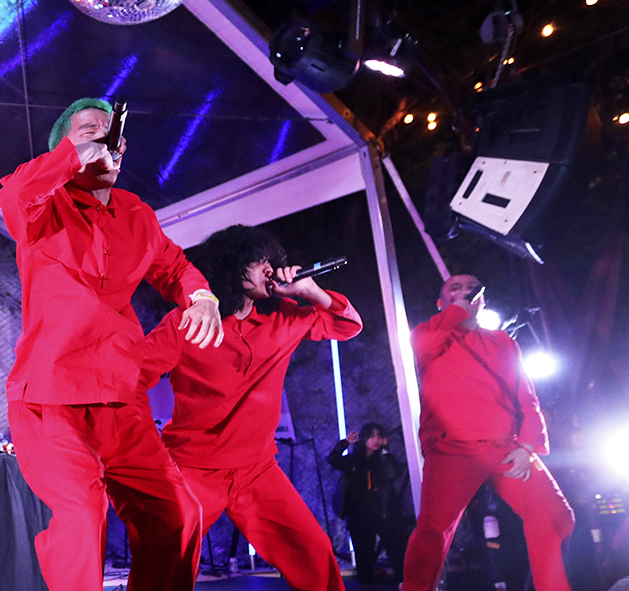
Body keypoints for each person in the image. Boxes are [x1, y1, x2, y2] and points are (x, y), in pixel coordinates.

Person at [0, 98, 224, 591]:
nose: (108, 140)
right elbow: (14, 194)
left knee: (179, 515)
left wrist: (203, 297)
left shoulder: (136, 214)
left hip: (121, 400)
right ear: (65, 146)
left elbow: (175, 268)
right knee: (82, 513)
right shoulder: (43, 206)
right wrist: (74, 156)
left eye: (114, 133)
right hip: (51, 398)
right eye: (91, 131)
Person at [142, 224, 362, 591]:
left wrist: (310, 291)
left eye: (271, 260)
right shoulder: (186, 322)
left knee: (314, 554)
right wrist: (141, 446)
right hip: (193, 469)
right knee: (164, 564)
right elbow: (133, 376)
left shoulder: (284, 317)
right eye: (257, 261)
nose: (269, 268)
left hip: (257, 470)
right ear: (230, 266)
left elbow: (347, 326)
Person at [403, 274, 575, 591]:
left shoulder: (503, 342)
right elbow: (423, 343)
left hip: (505, 448)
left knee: (555, 515)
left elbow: (526, 397)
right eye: (455, 288)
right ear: (441, 303)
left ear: (482, 299)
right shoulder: (430, 336)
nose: (465, 292)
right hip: (452, 450)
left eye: (472, 288)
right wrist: (458, 310)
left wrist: (527, 446)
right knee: (433, 531)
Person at [328, 423, 408, 583]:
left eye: (379, 436)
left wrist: (385, 451)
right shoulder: (353, 461)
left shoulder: (385, 459)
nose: (375, 440)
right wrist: (344, 443)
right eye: (371, 436)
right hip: (360, 516)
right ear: (363, 438)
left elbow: (393, 472)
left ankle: (406, 584)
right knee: (364, 561)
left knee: (398, 556)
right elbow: (334, 460)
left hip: (386, 515)